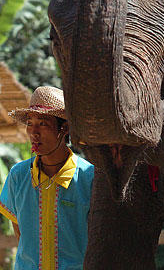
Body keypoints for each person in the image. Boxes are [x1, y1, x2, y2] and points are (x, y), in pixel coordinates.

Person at [0, 86, 94, 270]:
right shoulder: (18, 176)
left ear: (64, 128)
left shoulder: (89, 178)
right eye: (29, 123)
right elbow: (20, 234)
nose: (33, 132)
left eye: (42, 123)